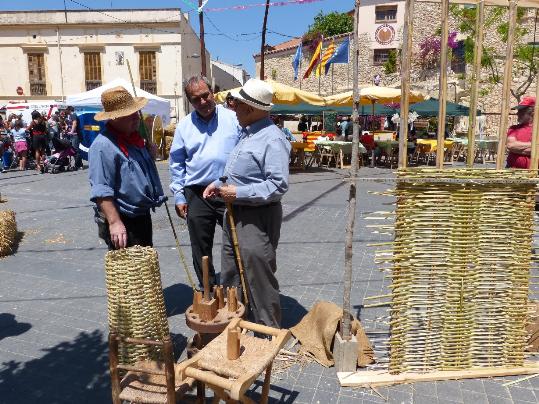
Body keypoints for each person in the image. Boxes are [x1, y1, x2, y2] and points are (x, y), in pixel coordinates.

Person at [203, 78, 291, 328]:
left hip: (257, 217)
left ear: (250, 109)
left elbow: (277, 185)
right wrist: (219, 184)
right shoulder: (247, 133)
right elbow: (239, 173)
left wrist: (238, 193)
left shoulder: (272, 139)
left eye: (236, 104)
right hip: (235, 212)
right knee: (230, 272)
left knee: (258, 276)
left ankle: (267, 332)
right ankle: (236, 324)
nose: (233, 108)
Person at [169, 75, 241, 289]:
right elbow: (176, 163)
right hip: (197, 193)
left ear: (213, 92)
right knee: (200, 246)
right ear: (190, 102)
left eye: (205, 95)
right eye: (195, 99)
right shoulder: (183, 127)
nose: (202, 102)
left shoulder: (233, 118)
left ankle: (236, 290)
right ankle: (207, 290)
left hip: (229, 190)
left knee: (237, 243)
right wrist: (179, 195)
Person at [88, 86, 166, 250]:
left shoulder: (133, 139)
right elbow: (101, 189)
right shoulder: (103, 146)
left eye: (136, 112)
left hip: (141, 217)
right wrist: (115, 222)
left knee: (145, 270)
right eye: (129, 114)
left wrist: (149, 155)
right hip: (124, 220)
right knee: (132, 273)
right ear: (115, 118)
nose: (136, 117)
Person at [506, 96, 535, 169]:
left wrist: (517, 150)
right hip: (513, 171)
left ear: (532, 113)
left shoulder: (537, 129)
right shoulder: (514, 128)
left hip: (535, 172)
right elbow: (511, 145)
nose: (517, 114)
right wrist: (534, 146)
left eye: (521, 112)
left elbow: (514, 147)